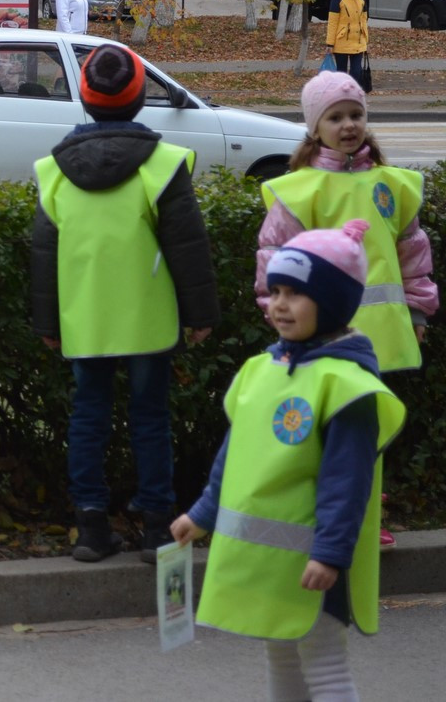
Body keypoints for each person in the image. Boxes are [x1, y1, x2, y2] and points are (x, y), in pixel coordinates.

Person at [173, 220, 404, 702]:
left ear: (335, 301)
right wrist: (201, 514)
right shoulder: (262, 369)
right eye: (274, 290)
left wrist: (331, 554)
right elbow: (235, 456)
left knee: (325, 667)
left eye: (295, 294)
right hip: (271, 565)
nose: (279, 304)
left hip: (314, 563)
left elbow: (348, 481)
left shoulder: (346, 387)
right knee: (280, 655)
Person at [31, 43, 220, 563]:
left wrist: (47, 321)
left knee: (88, 416)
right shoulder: (162, 165)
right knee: (150, 418)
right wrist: (200, 314)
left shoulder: (55, 170)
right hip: (148, 318)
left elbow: (45, 252)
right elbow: (187, 245)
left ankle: (91, 526)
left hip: (83, 318)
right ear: (139, 98)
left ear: (84, 98)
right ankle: (157, 525)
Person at [257, 71, 436, 547]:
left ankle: (363, 517)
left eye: (356, 114)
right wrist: (279, 314)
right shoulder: (300, 190)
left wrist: (417, 312)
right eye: (335, 117)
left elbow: (411, 253)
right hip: (321, 335)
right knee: (323, 430)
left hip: (380, 336)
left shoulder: (391, 187)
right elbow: (274, 260)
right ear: (315, 127)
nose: (348, 124)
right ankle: (323, 518)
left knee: (367, 433)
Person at [325, 0, 369, 90]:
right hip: (342, 42)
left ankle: (351, 94)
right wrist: (330, 44)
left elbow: (364, 20)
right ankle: (341, 95)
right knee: (341, 73)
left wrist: (366, 40)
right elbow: (332, 22)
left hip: (358, 42)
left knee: (356, 72)